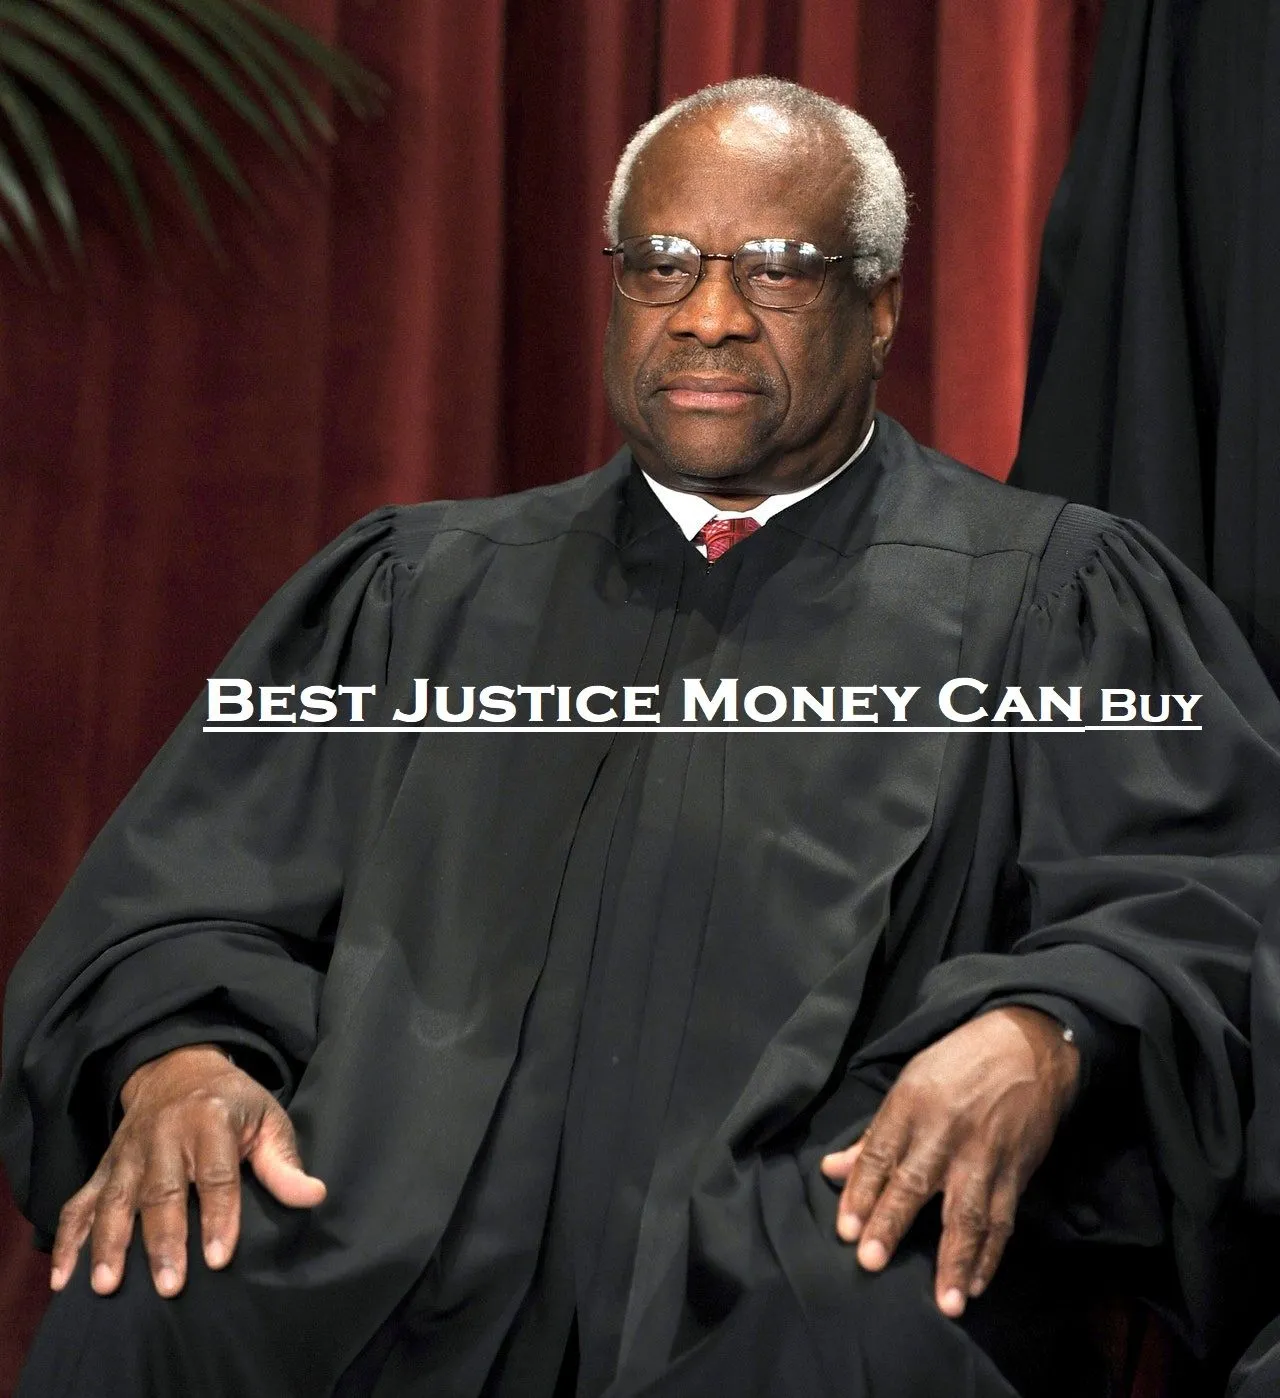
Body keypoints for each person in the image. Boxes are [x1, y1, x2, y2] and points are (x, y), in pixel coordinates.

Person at [4, 76, 1280, 1398]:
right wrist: (182, 1060)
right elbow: (181, 900)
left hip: (811, 1241)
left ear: (881, 306)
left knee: (865, 1343)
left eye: (777, 269)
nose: (709, 314)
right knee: (156, 1295)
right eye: (662, 263)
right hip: (382, 1235)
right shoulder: (413, 596)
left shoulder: (1049, 602)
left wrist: (1043, 1028)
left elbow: (1205, 901)